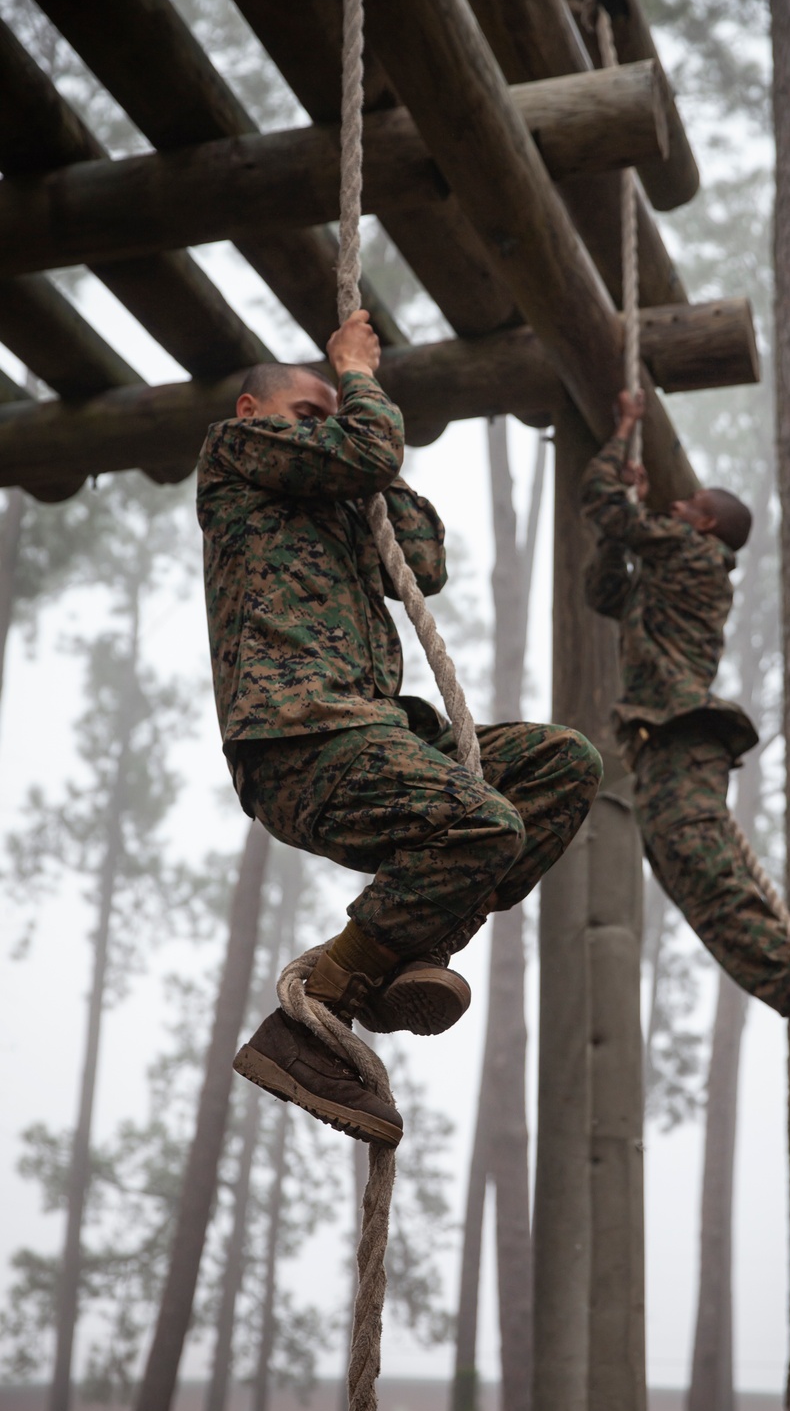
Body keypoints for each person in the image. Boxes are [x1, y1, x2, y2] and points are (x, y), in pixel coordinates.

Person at [196, 311, 602, 1147]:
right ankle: (310, 1020)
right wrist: (356, 378)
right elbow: (367, 450)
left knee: (562, 765)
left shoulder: (343, 491)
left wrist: (364, 448)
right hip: (299, 739)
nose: (330, 426)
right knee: (485, 822)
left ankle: (400, 957)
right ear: (251, 412)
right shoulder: (234, 456)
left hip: (374, 731)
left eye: (334, 418)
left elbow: (422, 563)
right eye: (309, 415)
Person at [581, 391, 790, 1128]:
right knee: (708, 890)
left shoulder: (695, 556)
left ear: (702, 525)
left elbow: (605, 504)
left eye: (686, 503)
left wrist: (624, 433)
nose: (673, 505)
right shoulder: (671, 571)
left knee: (710, 885)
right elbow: (604, 589)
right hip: (666, 749)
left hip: (681, 743)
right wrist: (621, 522)